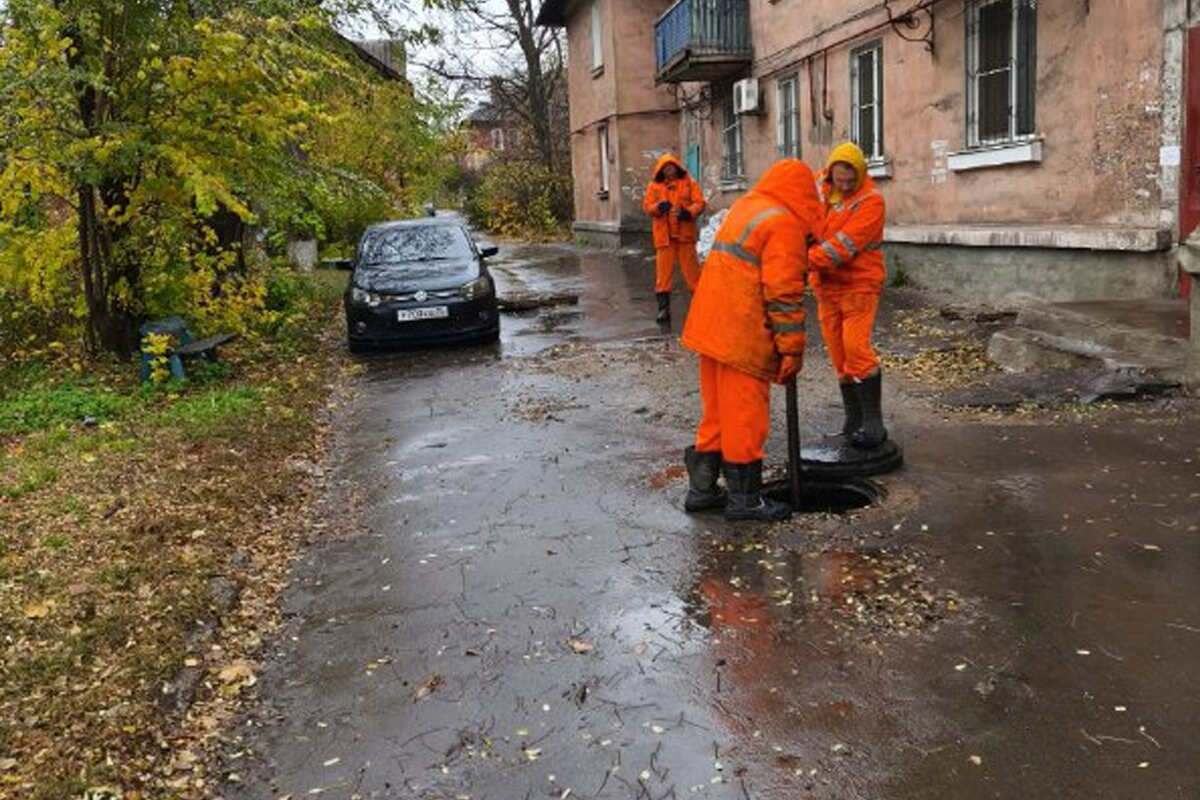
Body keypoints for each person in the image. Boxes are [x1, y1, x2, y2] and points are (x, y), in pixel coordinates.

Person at [680, 159, 823, 522]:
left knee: (717, 414)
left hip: (709, 326)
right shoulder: (784, 223)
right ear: (805, 195)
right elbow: (783, 294)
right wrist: (791, 349)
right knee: (745, 416)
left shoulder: (748, 207)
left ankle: (702, 489)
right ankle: (745, 501)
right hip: (740, 332)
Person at [808, 142, 889, 449]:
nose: (844, 185)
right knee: (839, 357)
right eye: (839, 180)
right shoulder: (823, 190)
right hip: (827, 287)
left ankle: (874, 424)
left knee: (857, 351)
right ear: (830, 173)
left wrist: (802, 259)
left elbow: (842, 246)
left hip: (858, 285)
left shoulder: (871, 201)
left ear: (860, 174)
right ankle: (853, 421)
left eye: (849, 181)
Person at [642, 154, 706, 323]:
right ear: (661, 170)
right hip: (665, 238)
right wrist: (658, 207)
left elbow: (699, 203)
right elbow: (647, 207)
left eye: (671, 167)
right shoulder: (654, 186)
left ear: (676, 167)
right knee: (663, 276)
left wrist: (687, 212)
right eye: (665, 168)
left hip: (684, 235)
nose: (668, 171)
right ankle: (663, 310)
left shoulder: (689, 183)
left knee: (693, 274)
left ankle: (702, 307)